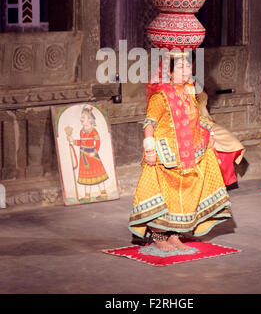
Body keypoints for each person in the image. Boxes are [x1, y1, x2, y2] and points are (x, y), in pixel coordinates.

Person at [128, 52, 232, 252]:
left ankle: (175, 235)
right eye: (181, 67)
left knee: (184, 194)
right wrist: (149, 148)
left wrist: (208, 134)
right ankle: (158, 237)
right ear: (169, 71)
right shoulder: (161, 95)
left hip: (187, 151)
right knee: (163, 195)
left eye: (188, 66)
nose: (186, 71)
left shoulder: (189, 91)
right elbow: (150, 123)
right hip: (164, 154)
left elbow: (194, 118)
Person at [195, 89, 245, 187]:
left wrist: (209, 127)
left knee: (231, 143)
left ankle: (226, 181)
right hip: (192, 127)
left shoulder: (198, 93)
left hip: (204, 123)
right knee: (215, 147)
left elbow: (203, 114)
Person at [67, 105, 109, 201]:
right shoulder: (82, 131)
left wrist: (94, 152)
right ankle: (87, 196)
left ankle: (103, 193)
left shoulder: (94, 131)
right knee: (86, 176)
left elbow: (98, 142)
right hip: (83, 156)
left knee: (98, 175)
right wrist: (72, 141)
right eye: (81, 117)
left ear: (90, 119)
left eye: (83, 117)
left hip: (92, 155)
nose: (81, 119)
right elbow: (81, 142)